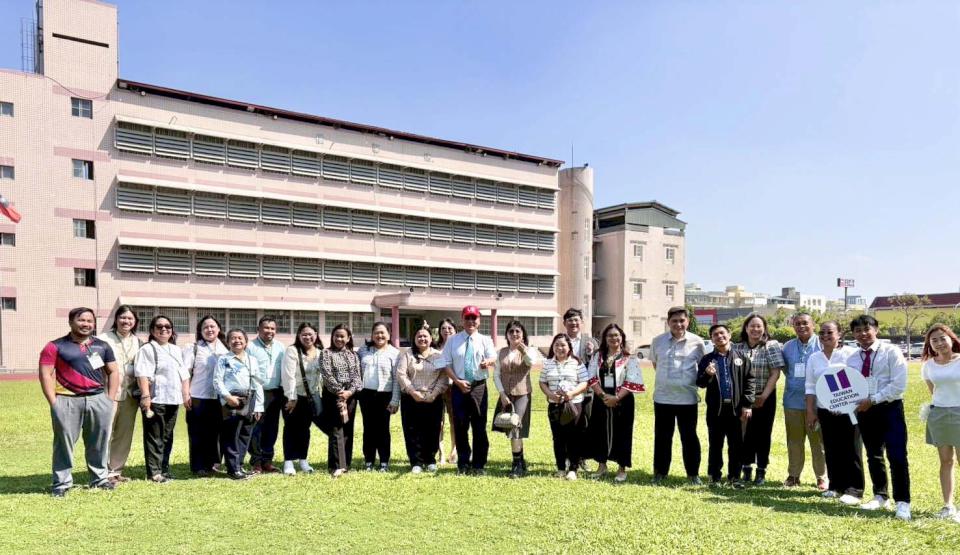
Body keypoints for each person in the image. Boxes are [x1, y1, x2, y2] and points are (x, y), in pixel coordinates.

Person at [39, 307, 120, 497]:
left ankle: (99, 479)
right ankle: (62, 483)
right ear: (71, 322)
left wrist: (109, 398)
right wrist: (54, 402)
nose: (86, 324)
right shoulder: (55, 346)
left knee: (99, 442)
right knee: (64, 443)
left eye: (90, 321)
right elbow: (45, 374)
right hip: (67, 400)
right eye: (81, 320)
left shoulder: (102, 346)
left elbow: (113, 371)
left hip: (98, 400)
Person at [846, 314, 911, 520]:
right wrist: (844, 404)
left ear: (876, 330)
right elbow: (849, 387)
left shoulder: (891, 351)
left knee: (897, 456)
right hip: (865, 411)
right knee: (873, 454)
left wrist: (873, 399)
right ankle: (880, 495)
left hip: (890, 408)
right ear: (853, 334)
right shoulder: (852, 358)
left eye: (867, 329)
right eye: (858, 331)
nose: (863, 334)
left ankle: (902, 502)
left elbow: (898, 384)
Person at [805, 321, 862, 505]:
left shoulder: (851, 354)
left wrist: (846, 404)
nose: (825, 336)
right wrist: (811, 411)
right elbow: (810, 386)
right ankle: (835, 486)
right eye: (822, 333)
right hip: (825, 410)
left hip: (849, 410)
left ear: (839, 334)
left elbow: (858, 381)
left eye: (829, 332)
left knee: (851, 449)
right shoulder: (814, 358)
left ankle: (854, 489)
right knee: (830, 448)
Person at [649, 306, 705, 485]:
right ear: (668, 322)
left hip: (688, 399)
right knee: (662, 437)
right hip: (663, 398)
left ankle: (693, 474)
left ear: (688, 321)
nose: (678, 324)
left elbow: (702, 368)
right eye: (674, 321)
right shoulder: (657, 341)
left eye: (682, 320)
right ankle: (660, 473)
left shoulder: (697, 342)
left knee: (689, 438)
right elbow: (656, 365)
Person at [438, 306, 497, 475]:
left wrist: (488, 362)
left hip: (478, 387)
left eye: (474, 318)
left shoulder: (485, 340)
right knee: (460, 426)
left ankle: (478, 464)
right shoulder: (453, 340)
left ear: (479, 321)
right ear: (462, 320)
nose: (471, 321)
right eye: (467, 318)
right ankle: (463, 463)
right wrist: (457, 381)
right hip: (459, 387)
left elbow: (493, 356)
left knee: (479, 426)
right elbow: (445, 364)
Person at [697, 324, 755, 488]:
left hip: (736, 410)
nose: (719, 336)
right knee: (715, 444)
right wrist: (707, 374)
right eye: (715, 335)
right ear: (712, 339)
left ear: (729, 335)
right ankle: (714, 477)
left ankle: (734, 477)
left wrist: (747, 404)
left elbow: (750, 381)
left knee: (736, 445)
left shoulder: (741, 357)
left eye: (722, 333)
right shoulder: (707, 359)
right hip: (716, 410)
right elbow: (700, 383)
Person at [586, 323, 645, 482]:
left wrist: (616, 398)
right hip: (601, 400)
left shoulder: (629, 357)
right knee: (600, 432)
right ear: (605, 338)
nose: (614, 338)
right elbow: (591, 377)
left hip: (623, 401)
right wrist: (604, 396)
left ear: (622, 338)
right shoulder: (597, 356)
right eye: (610, 335)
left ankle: (621, 468)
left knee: (623, 433)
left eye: (616, 335)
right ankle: (601, 466)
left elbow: (632, 380)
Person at [135, 315, 190, 484]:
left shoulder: (175, 350)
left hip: (173, 399)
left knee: (167, 436)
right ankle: (154, 472)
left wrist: (185, 394)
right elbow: (142, 373)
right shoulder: (148, 349)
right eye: (159, 326)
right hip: (155, 399)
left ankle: (164, 469)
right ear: (152, 330)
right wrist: (146, 396)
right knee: (154, 436)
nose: (164, 329)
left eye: (167, 326)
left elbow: (184, 374)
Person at [733, 313, 784, 485]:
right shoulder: (737, 347)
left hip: (765, 396)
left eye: (759, 326)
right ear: (746, 328)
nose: (755, 329)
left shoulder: (771, 346)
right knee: (744, 433)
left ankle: (761, 470)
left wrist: (763, 396)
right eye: (752, 326)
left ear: (764, 328)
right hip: (743, 399)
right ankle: (746, 468)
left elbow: (775, 373)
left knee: (763, 434)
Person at [781, 312, 827, 489]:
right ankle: (793, 476)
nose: (801, 326)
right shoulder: (787, 347)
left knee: (818, 442)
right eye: (797, 323)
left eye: (805, 323)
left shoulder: (822, 344)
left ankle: (822, 477)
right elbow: (786, 370)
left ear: (813, 325)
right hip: (792, 402)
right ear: (793, 326)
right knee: (794, 441)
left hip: (818, 402)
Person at [492, 320, 542, 478]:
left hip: (522, 394)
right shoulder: (501, 352)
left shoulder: (529, 350)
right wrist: (502, 393)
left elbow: (531, 362)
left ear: (523, 334)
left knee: (515, 428)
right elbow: (496, 374)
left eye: (518, 331)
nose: (514, 334)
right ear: (506, 334)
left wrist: (521, 347)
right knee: (511, 427)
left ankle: (516, 464)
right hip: (506, 394)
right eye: (511, 331)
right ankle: (520, 460)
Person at [920, 323, 960, 521]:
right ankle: (948, 506)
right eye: (934, 340)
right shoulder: (928, 366)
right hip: (939, 415)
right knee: (946, 461)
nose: (939, 343)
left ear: (951, 339)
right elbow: (933, 391)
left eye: (942, 338)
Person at [98, 305, 142, 484]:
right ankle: (100, 472)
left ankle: (115, 471)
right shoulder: (102, 339)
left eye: (130, 318)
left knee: (124, 434)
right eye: (123, 317)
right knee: (104, 433)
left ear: (135, 322)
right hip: (107, 393)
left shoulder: (138, 342)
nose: (126, 321)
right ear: (116, 319)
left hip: (130, 395)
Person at [397, 326, 449, 473]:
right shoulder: (407, 354)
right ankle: (416, 462)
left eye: (425, 336)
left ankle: (430, 459)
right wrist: (413, 392)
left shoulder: (438, 356)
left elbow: (443, 376)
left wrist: (434, 394)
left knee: (432, 430)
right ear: (414, 339)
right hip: (411, 398)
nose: (422, 338)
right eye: (419, 336)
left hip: (433, 398)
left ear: (431, 338)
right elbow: (401, 374)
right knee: (412, 430)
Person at [181, 314, 228, 477]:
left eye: (212, 326)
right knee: (197, 433)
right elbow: (185, 372)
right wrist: (185, 394)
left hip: (220, 398)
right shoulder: (194, 348)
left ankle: (213, 464)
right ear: (200, 331)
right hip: (198, 396)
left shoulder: (226, 349)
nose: (209, 329)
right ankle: (199, 466)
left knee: (216, 433)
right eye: (205, 327)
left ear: (218, 329)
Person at [214, 329, 263, 480]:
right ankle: (232, 469)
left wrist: (259, 406)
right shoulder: (223, 359)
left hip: (250, 398)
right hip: (232, 399)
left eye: (240, 338)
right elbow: (217, 381)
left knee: (245, 434)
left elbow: (257, 383)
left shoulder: (252, 360)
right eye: (233, 338)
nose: (237, 341)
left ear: (246, 342)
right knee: (231, 435)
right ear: (228, 342)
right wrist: (228, 397)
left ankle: (238, 466)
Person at [541, 333, 590, 480]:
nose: (560, 348)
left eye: (563, 345)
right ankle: (561, 468)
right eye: (556, 345)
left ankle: (573, 469)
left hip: (574, 405)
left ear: (569, 347)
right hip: (555, 405)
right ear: (553, 347)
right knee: (558, 438)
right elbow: (542, 382)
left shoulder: (577, 362)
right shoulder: (548, 363)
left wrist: (572, 394)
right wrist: (551, 395)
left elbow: (585, 382)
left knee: (574, 437)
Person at [357, 321, 402, 471]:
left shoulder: (394, 353)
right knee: (368, 428)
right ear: (372, 335)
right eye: (376, 332)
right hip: (366, 394)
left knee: (383, 429)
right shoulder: (363, 350)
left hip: (385, 395)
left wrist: (395, 400)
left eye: (383, 332)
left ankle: (384, 461)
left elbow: (396, 379)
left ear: (389, 335)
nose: (379, 335)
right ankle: (369, 460)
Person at [280, 322, 323, 475]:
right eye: (304, 334)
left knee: (305, 429)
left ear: (316, 335)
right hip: (293, 396)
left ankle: (303, 460)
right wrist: (291, 398)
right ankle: (288, 461)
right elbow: (288, 375)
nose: (307, 337)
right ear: (298, 336)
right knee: (291, 429)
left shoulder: (320, 353)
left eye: (310, 334)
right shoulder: (292, 350)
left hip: (310, 397)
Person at [320, 324, 362, 477]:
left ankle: (346, 464)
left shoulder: (353, 355)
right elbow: (327, 374)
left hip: (350, 396)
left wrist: (349, 392)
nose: (339, 339)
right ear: (332, 337)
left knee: (348, 429)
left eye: (342, 336)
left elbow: (357, 377)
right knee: (336, 429)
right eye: (336, 335)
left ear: (348, 338)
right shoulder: (326, 353)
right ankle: (337, 465)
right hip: (333, 396)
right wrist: (340, 392)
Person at [246, 316, 286, 473]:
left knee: (272, 428)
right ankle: (256, 462)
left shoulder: (280, 347)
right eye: (266, 328)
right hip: (257, 392)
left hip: (275, 393)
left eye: (272, 328)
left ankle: (267, 461)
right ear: (258, 329)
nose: (269, 331)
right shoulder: (250, 347)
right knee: (256, 428)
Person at [563, 308, 598, 471]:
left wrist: (591, 353)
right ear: (564, 323)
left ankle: (582, 458)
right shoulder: (561, 340)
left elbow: (598, 364)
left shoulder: (590, 341)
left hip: (586, 391)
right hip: (566, 392)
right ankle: (568, 457)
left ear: (581, 322)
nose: (573, 323)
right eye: (570, 320)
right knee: (567, 424)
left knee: (585, 425)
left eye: (576, 320)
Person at [436, 318, 458, 465]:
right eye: (443, 328)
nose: (446, 331)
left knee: (454, 421)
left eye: (450, 328)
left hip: (454, 387)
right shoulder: (435, 347)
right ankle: (441, 454)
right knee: (439, 423)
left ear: (455, 330)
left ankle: (454, 451)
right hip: (438, 388)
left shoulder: (459, 346)